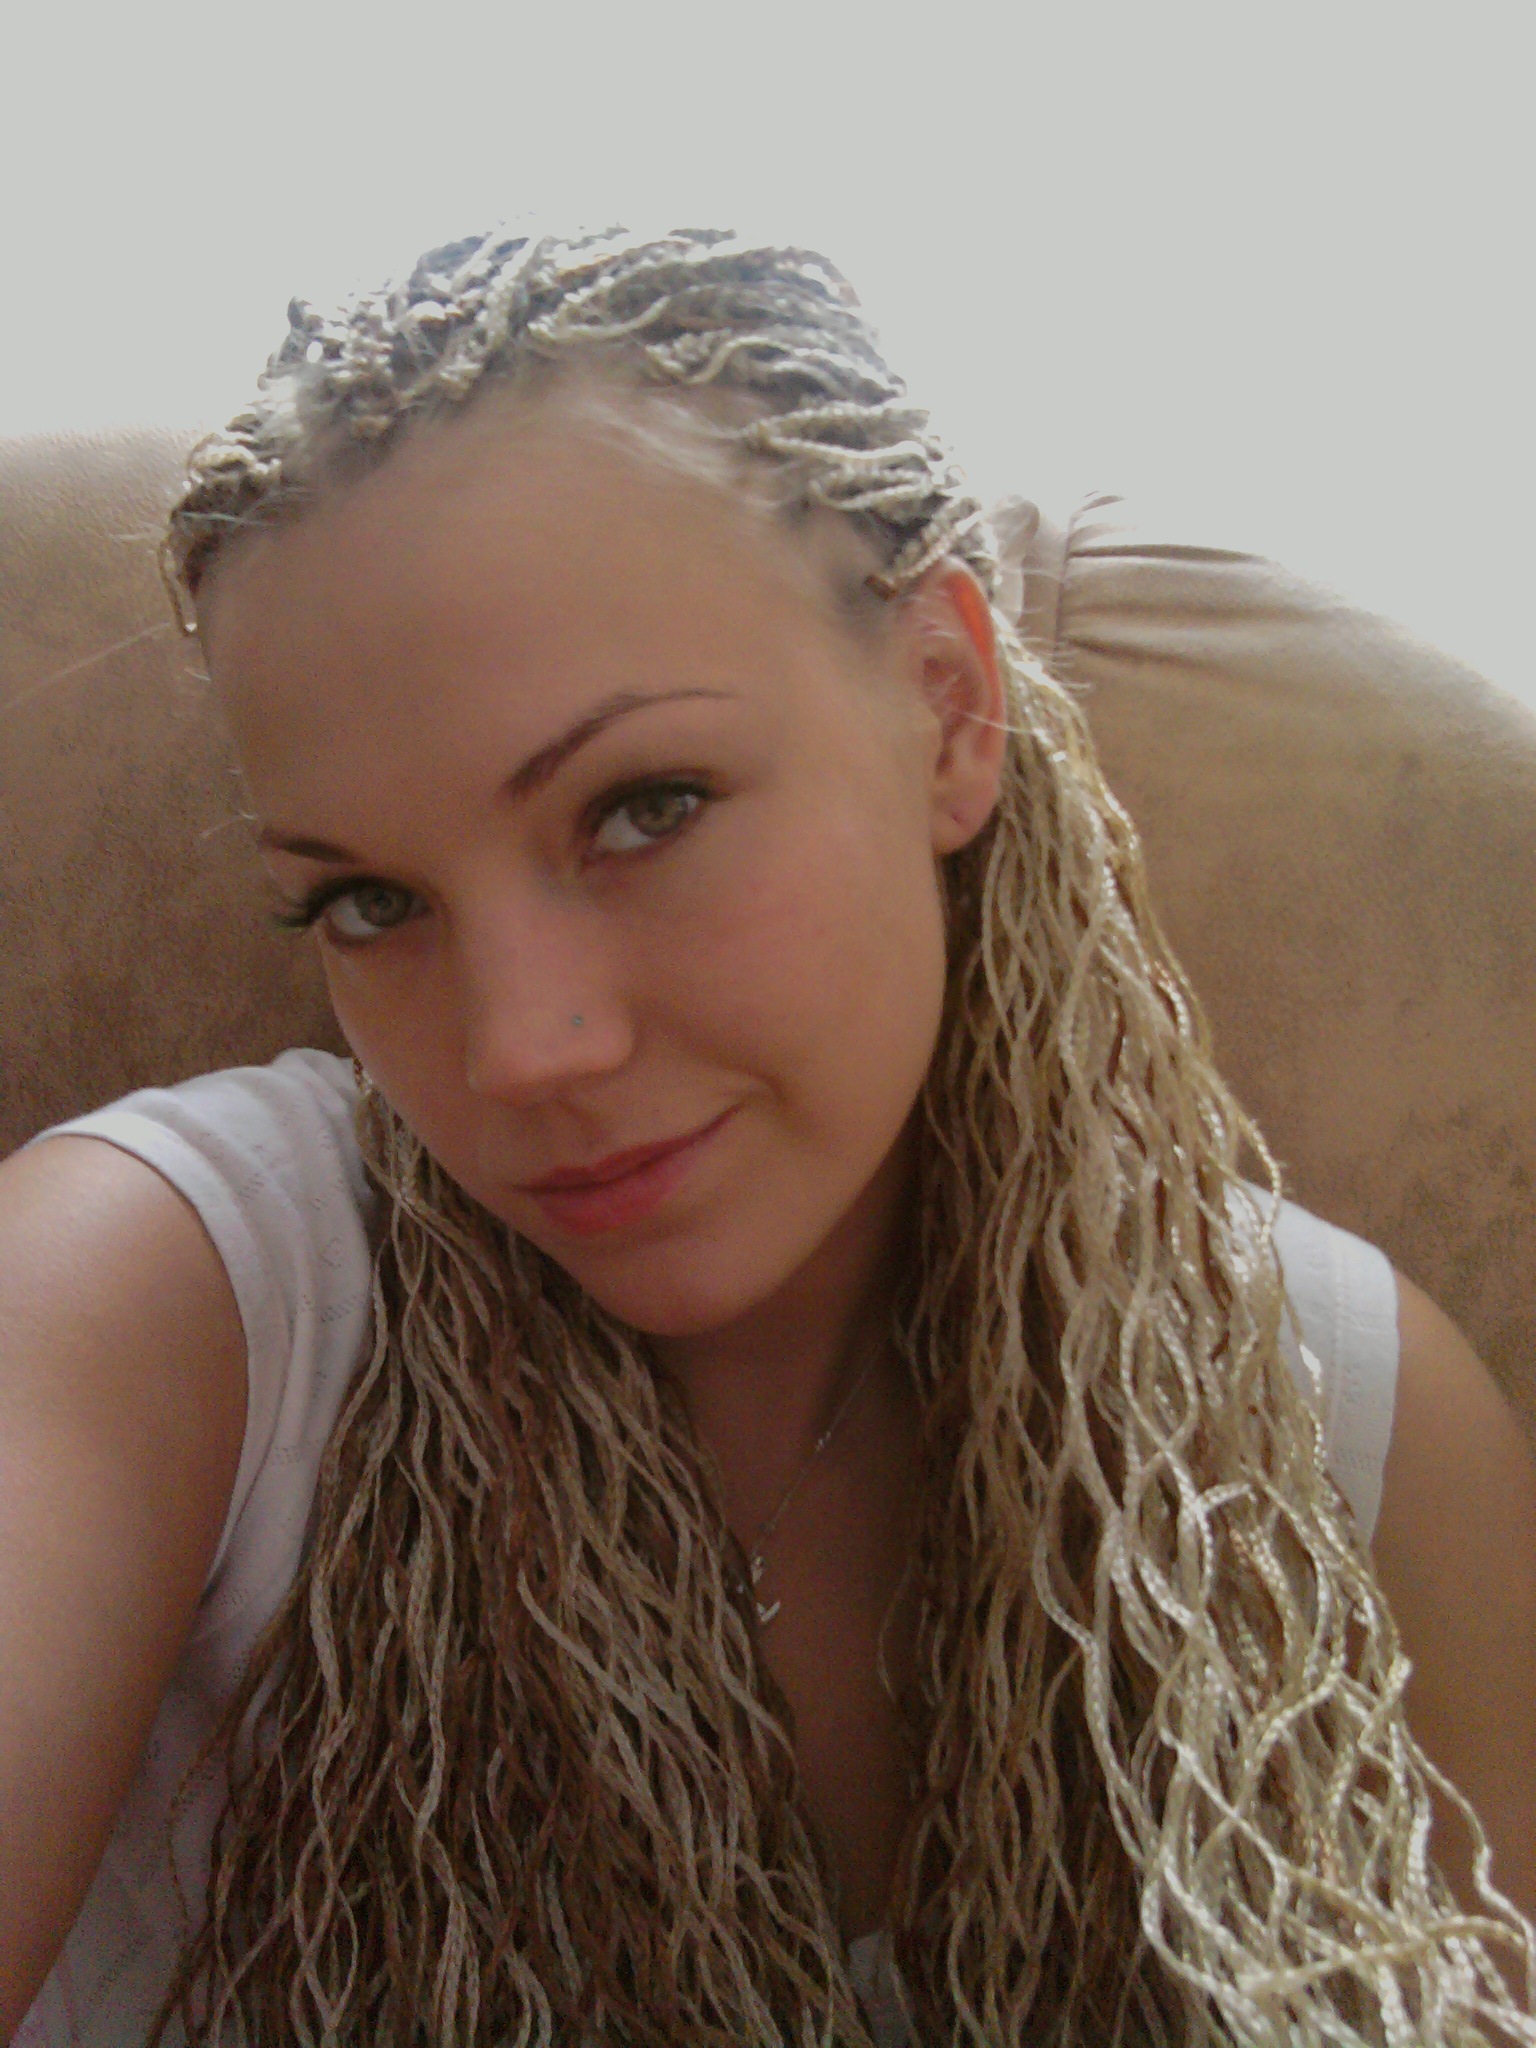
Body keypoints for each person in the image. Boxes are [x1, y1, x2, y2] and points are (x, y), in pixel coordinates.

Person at [2, 225, 1534, 2048]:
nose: (520, 1051)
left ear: (947, 709)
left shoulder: (1338, 1431)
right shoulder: (165, 1296)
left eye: (645, 806)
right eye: (370, 903)